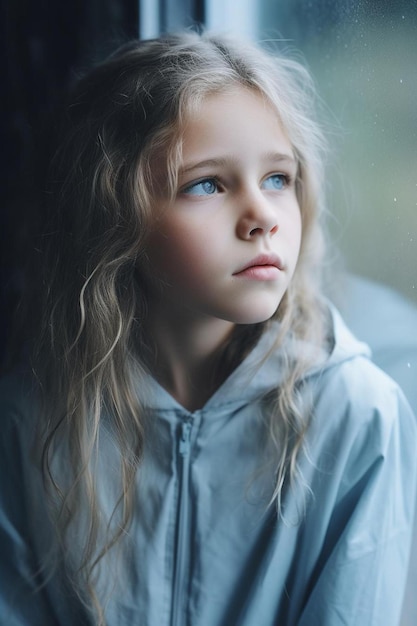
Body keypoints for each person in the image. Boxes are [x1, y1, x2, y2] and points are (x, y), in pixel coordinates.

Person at [0, 32, 415, 626]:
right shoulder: (30, 420)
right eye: (206, 184)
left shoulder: (359, 416)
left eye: (278, 178)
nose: (262, 218)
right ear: (114, 216)